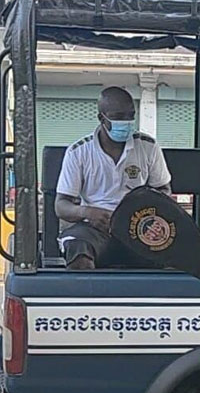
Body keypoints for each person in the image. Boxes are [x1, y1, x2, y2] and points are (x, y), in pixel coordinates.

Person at [55, 86, 172, 270]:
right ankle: (87, 297)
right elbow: (61, 205)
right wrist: (87, 213)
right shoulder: (79, 152)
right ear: (102, 118)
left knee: (169, 249)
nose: (126, 122)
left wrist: (147, 212)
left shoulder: (148, 146)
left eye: (130, 115)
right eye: (119, 116)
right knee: (78, 248)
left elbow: (164, 190)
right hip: (94, 230)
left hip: (138, 229)